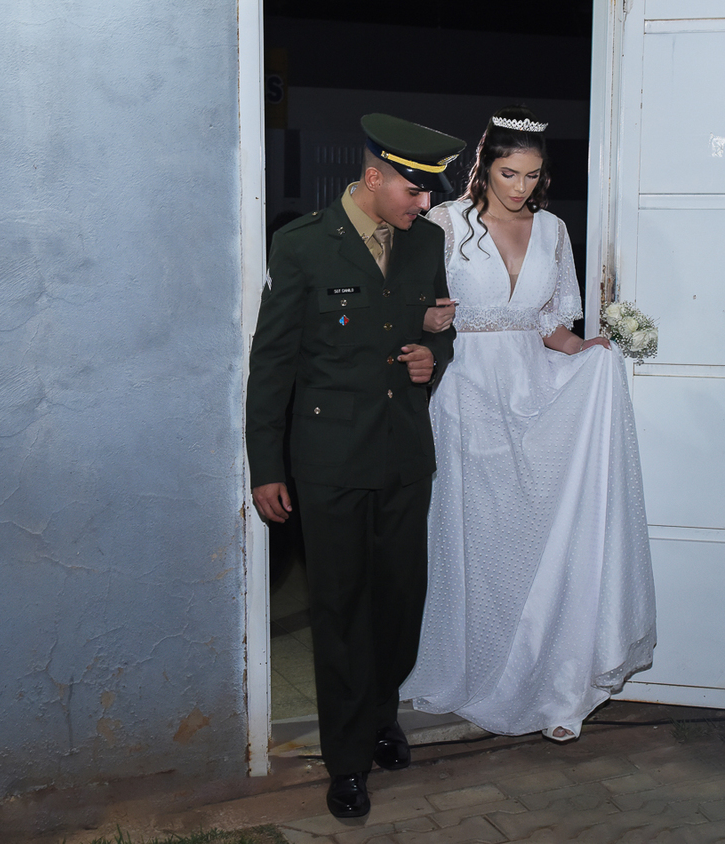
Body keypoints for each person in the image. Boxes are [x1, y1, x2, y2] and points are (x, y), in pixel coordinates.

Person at [401, 106, 656, 742]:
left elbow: (548, 324)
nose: (520, 187)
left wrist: (585, 351)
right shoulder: (445, 223)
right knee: (470, 536)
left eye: (532, 175)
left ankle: (542, 673)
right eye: (509, 173)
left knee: (531, 535)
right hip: (463, 392)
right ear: (485, 167)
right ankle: (469, 668)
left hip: (531, 392)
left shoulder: (553, 231)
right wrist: (425, 320)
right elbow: (403, 302)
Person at [246, 114, 464, 818]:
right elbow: (272, 362)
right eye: (414, 190)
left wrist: (435, 355)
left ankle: (378, 713)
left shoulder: (426, 242)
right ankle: (346, 759)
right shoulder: (304, 244)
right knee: (340, 609)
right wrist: (266, 465)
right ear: (374, 177)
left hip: (404, 453)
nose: (424, 205)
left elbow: (435, 326)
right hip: (330, 459)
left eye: (429, 194)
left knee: (400, 602)